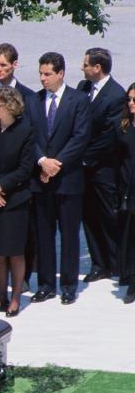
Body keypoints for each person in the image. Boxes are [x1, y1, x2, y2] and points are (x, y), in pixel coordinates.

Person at [27, 52, 91, 305]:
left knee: (69, 234)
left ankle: (68, 285)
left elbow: (80, 137)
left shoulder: (78, 100)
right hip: (41, 178)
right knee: (43, 233)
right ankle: (45, 285)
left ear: (61, 73)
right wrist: (42, 161)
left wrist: (57, 163)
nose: (43, 79)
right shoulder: (33, 101)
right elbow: (29, 136)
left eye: (48, 74)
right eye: (41, 74)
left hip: (68, 179)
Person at [0, 87, 36, 317]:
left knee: (14, 251)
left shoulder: (25, 131)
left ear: (11, 107)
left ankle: (14, 297)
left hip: (14, 199)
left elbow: (25, 168)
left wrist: (1, 187)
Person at [78, 47, 126, 283]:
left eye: (86, 64)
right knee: (88, 215)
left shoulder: (116, 95)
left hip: (103, 168)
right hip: (82, 166)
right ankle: (99, 263)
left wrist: (86, 157)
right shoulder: (83, 88)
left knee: (109, 214)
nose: (82, 68)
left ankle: (116, 263)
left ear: (98, 68)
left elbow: (110, 135)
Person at [116, 82, 135, 303]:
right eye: (129, 99)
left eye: (134, 100)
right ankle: (132, 280)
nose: (131, 104)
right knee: (130, 237)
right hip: (129, 190)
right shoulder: (123, 128)